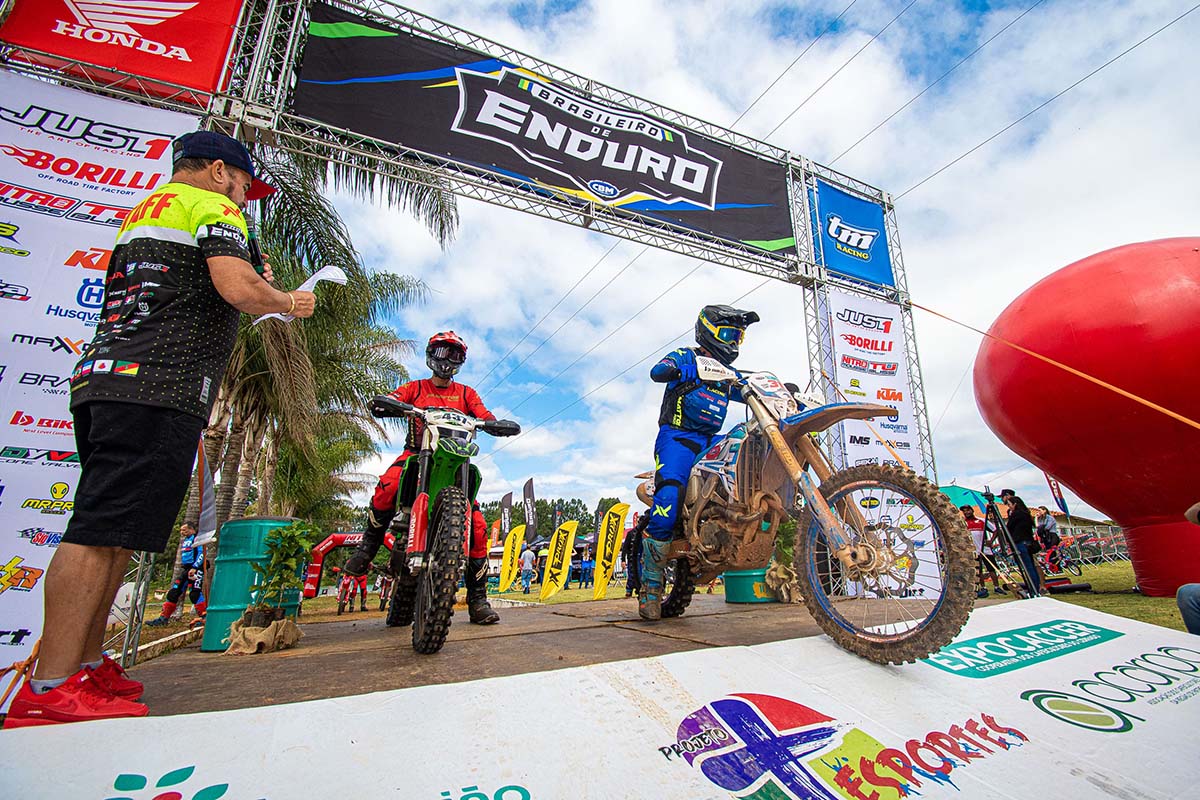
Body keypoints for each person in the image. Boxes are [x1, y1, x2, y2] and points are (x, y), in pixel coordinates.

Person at [4, 131, 317, 729]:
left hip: (120, 381)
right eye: (246, 186)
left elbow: (195, 286)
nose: (247, 198)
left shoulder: (151, 208)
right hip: (153, 385)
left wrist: (251, 273)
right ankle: (49, 685)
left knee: (118, 531)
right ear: (222, 172)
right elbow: (237, 288)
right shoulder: (213, 206)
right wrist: (284, 299)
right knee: (98, 532)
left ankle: (85, 666)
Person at [342, 331, 501, 625]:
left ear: (461, 361)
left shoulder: (466, 394)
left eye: (454, 354)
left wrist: (493, 423)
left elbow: (483, 413)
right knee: (387, 487)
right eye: (442, 352)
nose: (447, 360)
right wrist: (389, 403)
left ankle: (478, 599)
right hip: (417, 454)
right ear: (431, 355)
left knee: (478, 527)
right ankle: (368, 547)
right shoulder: (416, 388)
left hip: (456, 462)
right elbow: (393, 399)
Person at [642, 305, 759, 620]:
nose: (734, 342)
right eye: (729, 334)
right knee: (668, 500)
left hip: (712, 440)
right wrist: (683, 370)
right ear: (708, 330)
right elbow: (657, 371)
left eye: (739, 336)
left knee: (746, 444)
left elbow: (747, 391)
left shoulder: (727, 374)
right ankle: (651, 588)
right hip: (678, 439)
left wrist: (775, 390)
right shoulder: (686, 356)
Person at [145, 523, 206, 626]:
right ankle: (163, 618)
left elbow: (201, 554)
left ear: (192, 530)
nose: (182, 533)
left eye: (185, 530)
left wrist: (195, 567)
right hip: (186, 569)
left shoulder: (197, 539)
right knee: (174, 592)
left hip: (196, 569)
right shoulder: (186, 540)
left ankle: (204, 617)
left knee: (194, 593)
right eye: (181, 531)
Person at [1003, 495, 1042, 595]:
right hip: (1027, 542)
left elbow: (1008, 528)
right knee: (1031, 567)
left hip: (1020, 543)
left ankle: (1033, 589)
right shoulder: (1026, 514)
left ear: (1015, 504)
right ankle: (1035, 588)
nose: (1009, 507)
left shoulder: (1017, 515)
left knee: (1028, 567)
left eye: (1010, 505)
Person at [962, 506, 996, 599]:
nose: (966, 512)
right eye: (964, 511)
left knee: (992, 568)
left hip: (985, 549)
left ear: (972, 511)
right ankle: (982, 587)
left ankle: (996, 587)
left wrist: (991, 541)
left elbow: (996, 530)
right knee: (978, 570)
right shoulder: (963, 523)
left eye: (968, 510)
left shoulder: (982, 520)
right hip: (973, 551)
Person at [622, 515, 647, 598]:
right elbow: (625, 547)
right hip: (633, 558)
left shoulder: (649, 533)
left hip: (646, 559)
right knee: (632, 575)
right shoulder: (631, 533)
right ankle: (629, 591)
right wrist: (623, 560)